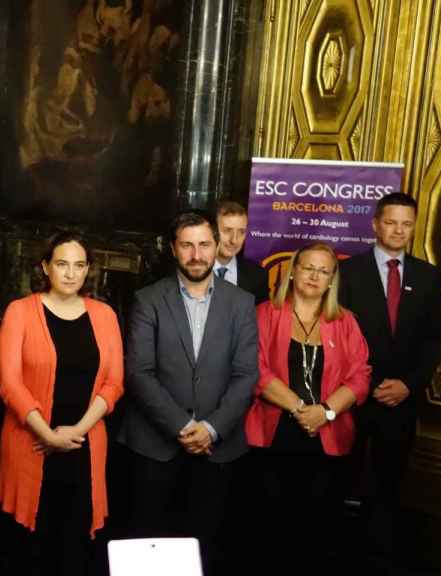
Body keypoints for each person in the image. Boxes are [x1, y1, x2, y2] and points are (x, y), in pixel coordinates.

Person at [116, 210, 259, 576]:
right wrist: (183, 426)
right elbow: (138, 372)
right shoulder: (148, 299)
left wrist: (210, 429)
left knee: (206, 545)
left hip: (217, 448)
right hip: (154, 445)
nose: (197, 254)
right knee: (148, 546)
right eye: (187, 245)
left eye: (204, 244)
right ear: (173, 249)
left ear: (217, 246)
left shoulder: (241, 302)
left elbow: (246, 376)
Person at [0, 232, 124, 576]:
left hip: (85, 447)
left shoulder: (104, 315)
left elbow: (114, 384)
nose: (71, 274)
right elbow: (10, 384)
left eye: (79, 265)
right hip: (31, 445)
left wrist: (75, 433)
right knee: (29, 547)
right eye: (62, 264)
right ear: (45, 267)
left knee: (75, 547)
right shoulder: (20, 312)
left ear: (88, 271)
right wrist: (48, 435)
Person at [243, 242, 371, 574]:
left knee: (318, 527)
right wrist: (302, 408)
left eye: (323, 271)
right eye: (308, 267)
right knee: (270, 524)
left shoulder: (346, 321)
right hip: (274, 434)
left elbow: (360, 376)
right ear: (293, 271)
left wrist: (325, 411)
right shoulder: (266, 313)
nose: (315, 276)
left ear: (332, 280)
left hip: (327, 434)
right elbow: (255, 370)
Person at [339, 192, 441, 569]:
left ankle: (379, 557)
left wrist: (409, 384)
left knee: (388, 485)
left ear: (414, 226)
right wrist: (360, 385)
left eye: (406, 223)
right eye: (391, 222)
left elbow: (435, 340)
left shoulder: (429, 277)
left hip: (401, 398)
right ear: (375, 224)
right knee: (341, 478)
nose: (398, 230)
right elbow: (336, 336)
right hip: (352, 396)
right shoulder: (348, 272)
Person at [213, 199, 269, 303]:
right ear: (212, 231)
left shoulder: (257, 276)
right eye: (227, 231)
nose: (234, 240)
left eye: (241, 232)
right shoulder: (193, 269)